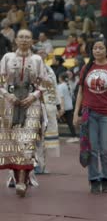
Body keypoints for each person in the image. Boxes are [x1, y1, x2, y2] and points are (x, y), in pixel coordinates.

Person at [0, 29, 48, 197]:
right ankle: (15, 176)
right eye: (21, 37)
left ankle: (22, 180)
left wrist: (33, 96)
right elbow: (0, 82)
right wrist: (7, 95)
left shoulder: (37, 60)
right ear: (16, 40)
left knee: (27, 141)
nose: (24, 40)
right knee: (14, 142)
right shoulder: (7, 58)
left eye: (27, 37)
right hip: (10, 104)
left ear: (32, 40)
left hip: (31, 104)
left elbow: (43, 84)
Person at [73, 41, 107, 194]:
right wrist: (76, 113)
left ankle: (106, 179)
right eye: (95, 48)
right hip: (89, 114)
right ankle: (94, 179)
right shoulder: (86, 68)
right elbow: (80, 92)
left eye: (101, 48)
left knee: (105, 150)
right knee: (92, 149)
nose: (97, 50)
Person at [32, 43, 61, 174]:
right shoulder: (30, 69)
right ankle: (34, 164)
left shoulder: (49, 69)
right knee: (35, 136)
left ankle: (42, 165)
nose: (43, 54)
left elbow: (55, 87)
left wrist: (59, 105)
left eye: (44, 52)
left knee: (45, 138)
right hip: (35, 105)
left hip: (50, 106)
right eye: (40, 52)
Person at [58, 72, 79, 143]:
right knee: (70, 122)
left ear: (61, 78)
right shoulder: (68, 85)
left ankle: (74, 136)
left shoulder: (60, 86)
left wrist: (62, 108)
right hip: (70, 106)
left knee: (55, 120)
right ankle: (74, 136)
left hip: (64, 107)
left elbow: (61, 98)